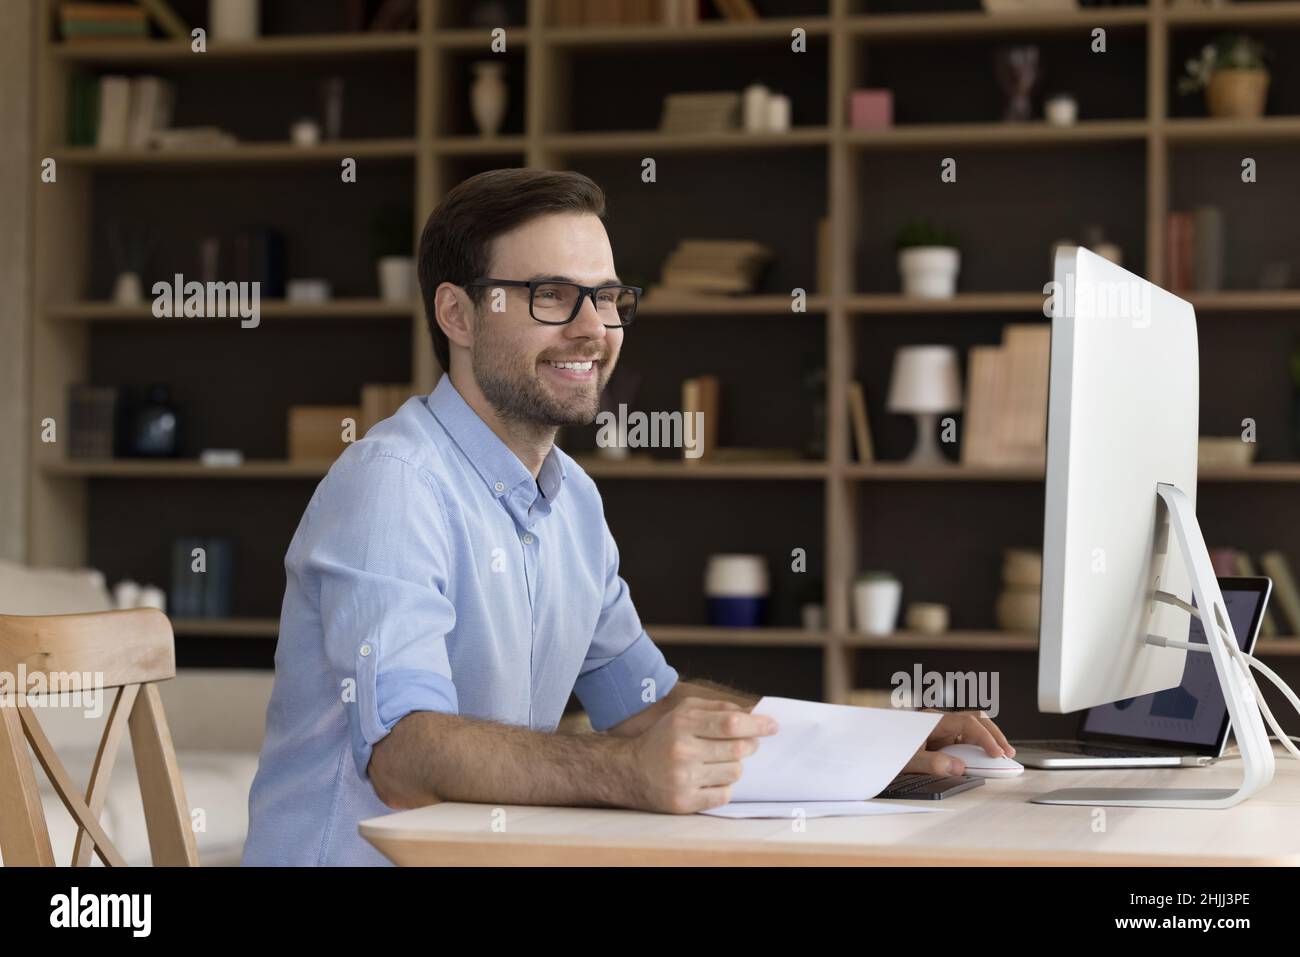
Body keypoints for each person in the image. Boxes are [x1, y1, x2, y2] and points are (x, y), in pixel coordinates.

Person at [242, 168, 1013, 866]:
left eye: (608, 297)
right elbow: (403, 757)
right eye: (553, 295)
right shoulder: (392, 484)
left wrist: (869, 746)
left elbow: (646, 702)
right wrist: (623, 772)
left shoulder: (572, 497)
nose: (595, 328)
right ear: (459, 313)